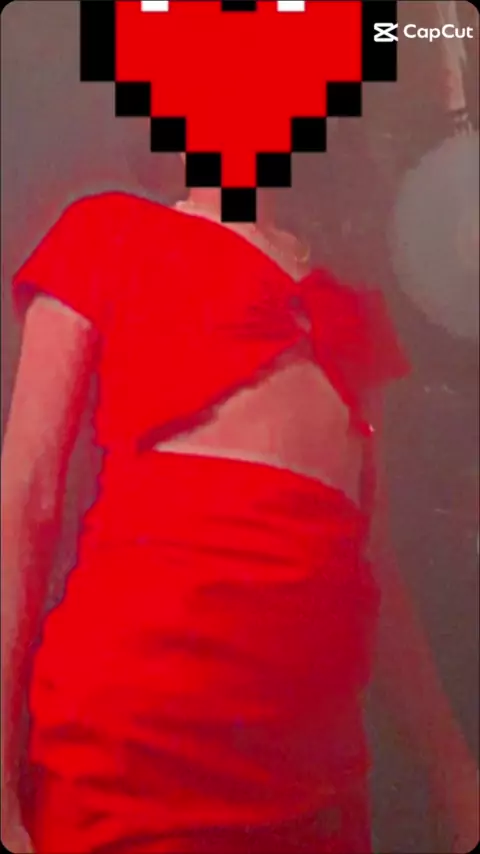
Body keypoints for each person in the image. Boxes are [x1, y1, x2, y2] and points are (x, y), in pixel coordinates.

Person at [1, 175, 478, 854]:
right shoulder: (107, 233)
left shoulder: (349, 306)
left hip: (316, 783)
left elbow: (375, 569)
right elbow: (25, 502)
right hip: (132, 767)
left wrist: (456, 777)